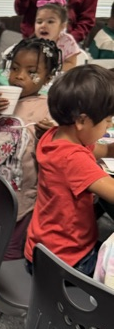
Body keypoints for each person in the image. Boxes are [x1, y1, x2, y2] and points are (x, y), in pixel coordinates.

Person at [0, 37, 62, 320]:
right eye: (15, 68)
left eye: (31, 72)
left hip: (24, 199)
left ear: (48, 78)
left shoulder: (49, 111)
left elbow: (55, 160)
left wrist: (46, 137)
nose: (19, 76)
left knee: (8, 249)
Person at [25, 66, 114, 276]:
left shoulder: (56, 136)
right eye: (107, 121)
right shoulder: (73, 159)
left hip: (43, 250)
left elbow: (105, 150)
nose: (109, 127)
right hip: (65, 262)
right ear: (82, 121)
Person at [34, 0, 81, 71]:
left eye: (50, 22)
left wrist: (52, 69)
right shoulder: (32, 43)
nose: (43, 25)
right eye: (39, 22)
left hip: (61, 76)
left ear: (62, 26)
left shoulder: (67, 41)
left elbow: (71, 64)